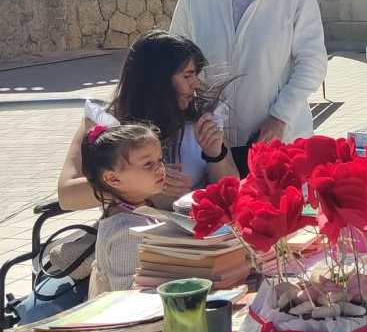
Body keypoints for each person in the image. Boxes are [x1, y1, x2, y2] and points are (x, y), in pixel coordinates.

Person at [170, 0, 328, 174]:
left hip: (280, 137)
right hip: (214, 145)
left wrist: (279, 117)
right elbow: (176, 62)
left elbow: (312, 63)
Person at [58, 30, 238, 212]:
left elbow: (233, 192)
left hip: (195, 233)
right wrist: (138, 184)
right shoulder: (105, 123)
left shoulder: (203, 121)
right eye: (187, 76)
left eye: (195, 75)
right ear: (157, 80)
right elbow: (67, 196)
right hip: (131, 233)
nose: (196, 84)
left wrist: (215, 155)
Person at [80, 123, 167, 294]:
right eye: (148, 164)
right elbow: (127, 297)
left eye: (160, 159)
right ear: (113, 179)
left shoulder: (133, 212)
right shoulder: (127, 231)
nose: (160, 168)